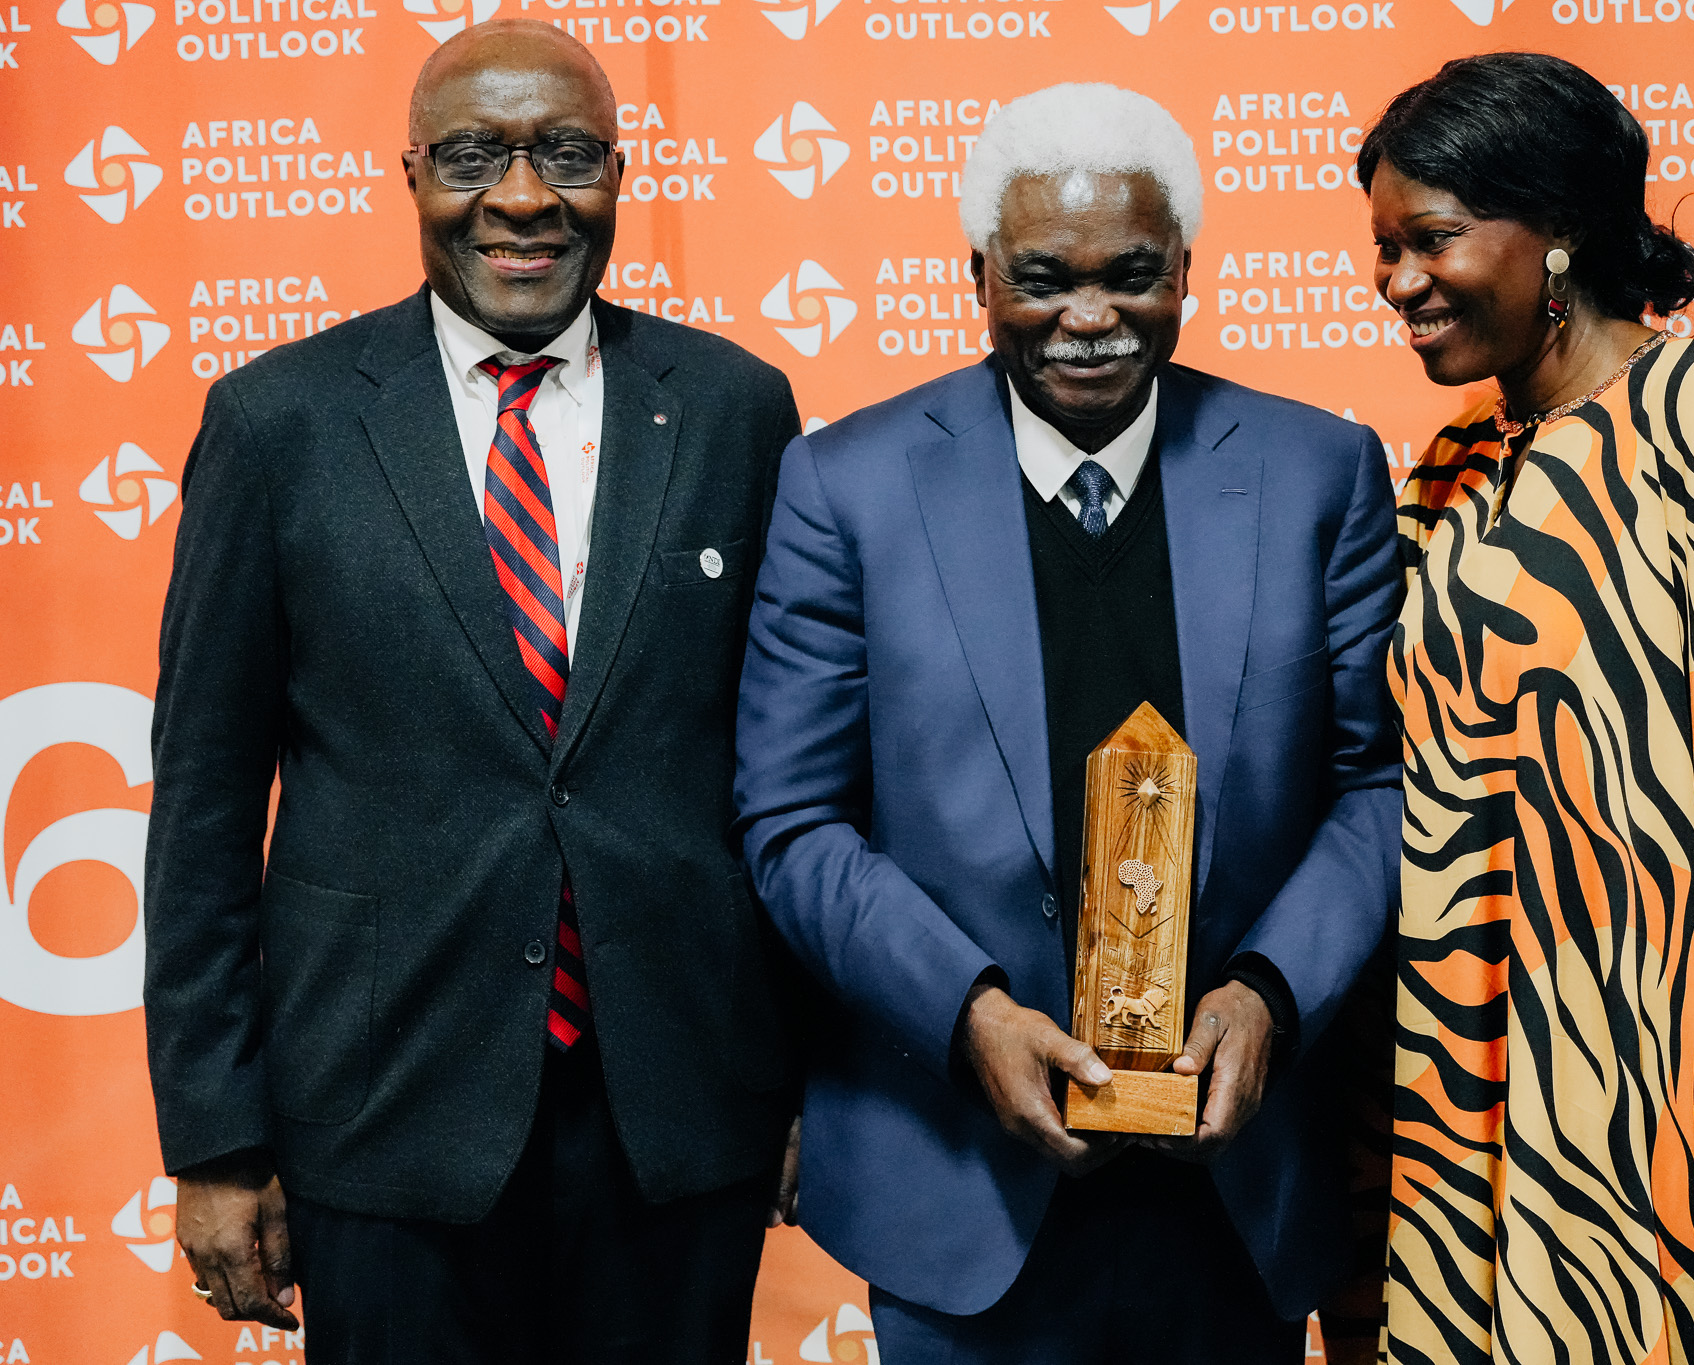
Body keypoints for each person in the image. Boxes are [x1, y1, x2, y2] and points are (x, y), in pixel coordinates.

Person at [143, 21, 802, 1363]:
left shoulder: (736, 409)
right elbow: (204, 807)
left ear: (619, 175)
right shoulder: (277, 424)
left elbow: (795, 775)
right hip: (383, 1123)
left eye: (567, 154)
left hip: (678, 1119)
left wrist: (807, 1084)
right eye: (472, 157)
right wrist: (215, 1142)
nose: (522, 197)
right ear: (410, 175)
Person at [733, 82, 1403, 1365]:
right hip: (959, 1177)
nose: (1089, 318)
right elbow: (791, 821)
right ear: (979, 277)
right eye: (1043, 279)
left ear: (1185, 270)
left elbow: (1376, 788)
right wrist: (966, 1015)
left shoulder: (1318, 472)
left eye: (1131, 275)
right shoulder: (845, 486)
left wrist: (1269, 996)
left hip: (1237, 1180)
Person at [1328, 51, 1694, 1365]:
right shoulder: (1445, 473)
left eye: (1432, 239)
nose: (1398, 281)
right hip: (1463, 1116)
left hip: (1667, 1104)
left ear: (1560, 232)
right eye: (1383, 248)